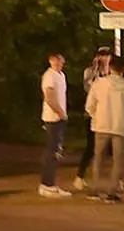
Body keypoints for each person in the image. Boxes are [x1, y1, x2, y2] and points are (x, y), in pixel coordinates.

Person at [84, 55, 124, 203]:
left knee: (99, 158)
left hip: (101, 125)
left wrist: (97, 116)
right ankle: (112, 191)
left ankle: (95, 188)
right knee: (117, 161)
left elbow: (89, 106)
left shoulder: (99, 84)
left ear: (110, 66)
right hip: (121, 127)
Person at [74, 47, 112, 192]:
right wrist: (97, 69)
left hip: (108, 113)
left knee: (110, 148)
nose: (104, 58)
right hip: (93, 113)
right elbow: (88, 87)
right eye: (102, 55)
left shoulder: (112, 72)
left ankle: (112, 179)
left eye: (107, 55)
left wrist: (107, 68)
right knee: (91, 146)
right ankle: (80, 176)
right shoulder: (89, 72)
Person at [39, 53, 72, 199]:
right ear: (51, 60)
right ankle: (47, 184)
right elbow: (49, 96)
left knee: (56, 151)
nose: (60, 63)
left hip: (59, 118)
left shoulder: (61, 75)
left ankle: (50, 183)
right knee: (52, 151)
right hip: (53, 118)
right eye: (57, 60)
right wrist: (60, 113)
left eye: (61, 61)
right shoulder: (49, 76)